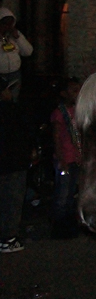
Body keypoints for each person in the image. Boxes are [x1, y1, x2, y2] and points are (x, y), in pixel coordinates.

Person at [0, 81, 32, 252]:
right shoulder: (12, 111)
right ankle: (8, 238)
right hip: (13, 163)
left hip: (10, 162)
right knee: (11, 201)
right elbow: (24, 133)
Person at [50, 78, 82, 238]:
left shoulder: (76, 110)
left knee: (71, 193)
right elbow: (56, 138)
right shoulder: (59, 113)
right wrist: (61, 159)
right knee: (62, 193)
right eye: (74, 91)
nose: (77, 94)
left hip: (76, 157)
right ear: (64, 93)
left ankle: (68, 225)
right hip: (65, 158)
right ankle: (58, 226)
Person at [0, 7, 33, 102]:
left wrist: (17, 37)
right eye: (4, 24)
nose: (7, 27)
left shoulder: (15, 36)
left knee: (13, 100)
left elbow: (28, 52)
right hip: (1, 75)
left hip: (14, 75)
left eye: (10, 24)